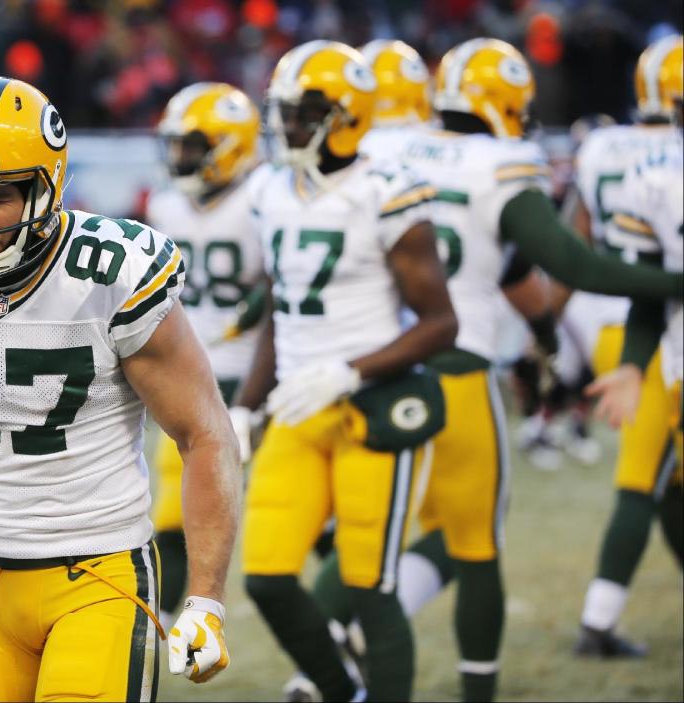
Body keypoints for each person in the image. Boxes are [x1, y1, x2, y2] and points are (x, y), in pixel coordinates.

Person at [308, 37, 683, 703]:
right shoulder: (500, 165)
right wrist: (669, 281)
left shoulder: (387, 152)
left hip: (377, 366)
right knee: (476, 539)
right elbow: (572, 263)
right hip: (456, 367)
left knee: (376, 526)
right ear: (502, 104)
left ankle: (312, 666)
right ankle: (475, 689)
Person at [0, 76, 240, 702]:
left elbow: (204, 435)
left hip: (99, 572)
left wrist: (205, 599)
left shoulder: (110, 274)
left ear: (46, 189)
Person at [233, 40, 459, 703]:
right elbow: (280, 306)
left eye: (304, 113)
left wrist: (349, 369)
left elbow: (441, 323)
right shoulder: (270, 189)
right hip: (297, 408)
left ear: (346, 116)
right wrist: (248, 405)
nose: (287, 126)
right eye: (284, 111)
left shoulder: (385, 192)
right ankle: (341, 691)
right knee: (267, 577)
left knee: (371, 584)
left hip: (374, 408)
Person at [568, 34, 684, 658]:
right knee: (648, 474)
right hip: (655, 328)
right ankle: (599, 619)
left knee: (665, 477)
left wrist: (546, 334)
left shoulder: (607, 147)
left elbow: (575, 243)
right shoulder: (665, 166)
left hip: (600, 316)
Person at [146, 81, 264, 633]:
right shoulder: (167, 203)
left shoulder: (265, 196)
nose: (182, 157)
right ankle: (167, 618)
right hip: (192, 373)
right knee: (172, 509)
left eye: (193, 145)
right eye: (177, 145)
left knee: (282, 514)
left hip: (258, 373)